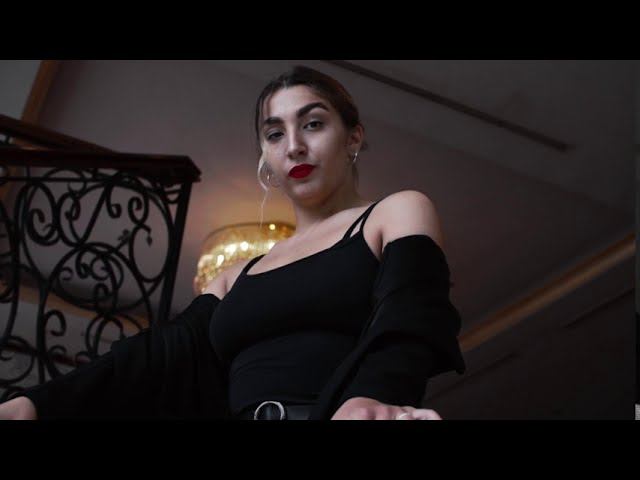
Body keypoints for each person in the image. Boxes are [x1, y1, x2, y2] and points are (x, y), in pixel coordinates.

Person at [0, 65, 465, 420]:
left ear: (353, 138)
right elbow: (153, 357)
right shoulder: (235, 276)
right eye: (275, 134)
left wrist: (370, 397)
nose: (293, 146)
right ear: (265, 155)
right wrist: (36, 403)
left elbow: (411, 314)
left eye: (313, 124)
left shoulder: (394, 212)